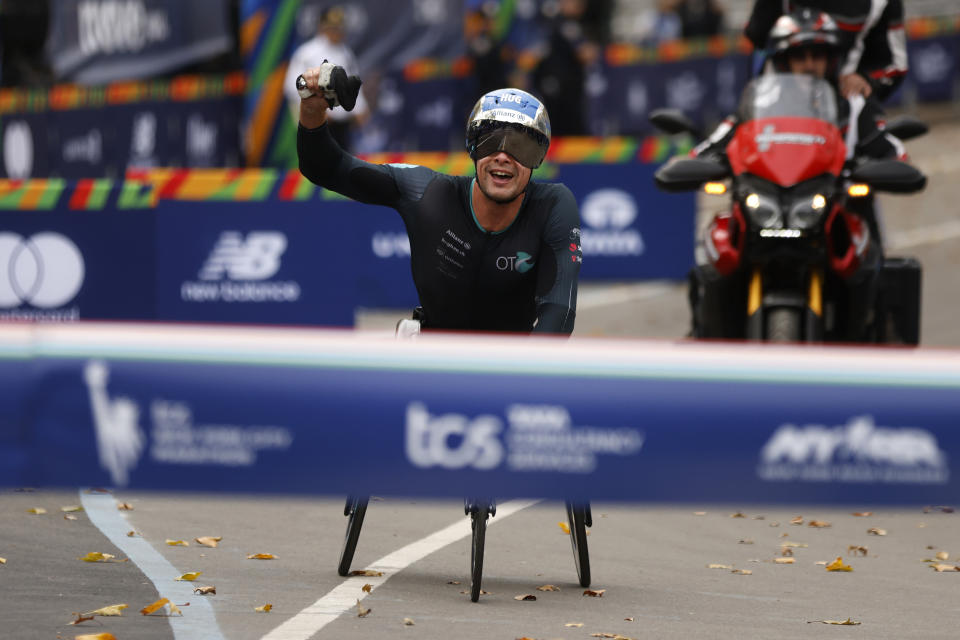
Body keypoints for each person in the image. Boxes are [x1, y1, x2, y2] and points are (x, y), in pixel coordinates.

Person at [296, 74, 581, 335]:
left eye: (521, 147)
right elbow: (324, 167)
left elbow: (560, 314)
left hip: (508, 370)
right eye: (490, 142)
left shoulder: (553, 205)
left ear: (538, 158)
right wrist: (312, 108)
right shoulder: (428, 191)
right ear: (472, 148)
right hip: (430, 365)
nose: (503, 156)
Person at [744, 0, 907, 101]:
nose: (809, 64)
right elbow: (757, 34)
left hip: (843, 103)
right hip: (780, 101)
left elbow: (896, 64)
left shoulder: (880, 3)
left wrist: (866, 80)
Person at [284, 5, 369, 151]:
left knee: (343, 165)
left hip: (343, 124)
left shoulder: (346, 53)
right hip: (317, 122)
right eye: (332, 28)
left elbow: (353, 84)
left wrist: (361, 108)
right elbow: (292, 86)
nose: (337, 32)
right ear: (322, 28)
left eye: (339, 28)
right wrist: (315, 108)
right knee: (318, 165)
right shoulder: (307, 53)